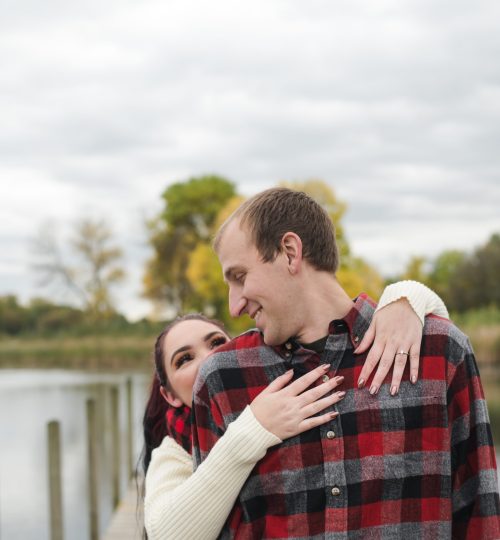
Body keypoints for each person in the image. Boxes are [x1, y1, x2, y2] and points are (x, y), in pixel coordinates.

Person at [192, 187, 500, 539]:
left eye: (239, 276)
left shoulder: (439, 351)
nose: (233, 306)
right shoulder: (222, 378)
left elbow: (479, 516)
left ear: (290, 253)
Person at [143, 287, 449, 538]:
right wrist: (252, 430)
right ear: (168, 395)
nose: (207, 359)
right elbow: (165, 534)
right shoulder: (173, 451)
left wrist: (405, 298)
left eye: (217, 344)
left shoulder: (280, 386)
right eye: (184, 359)